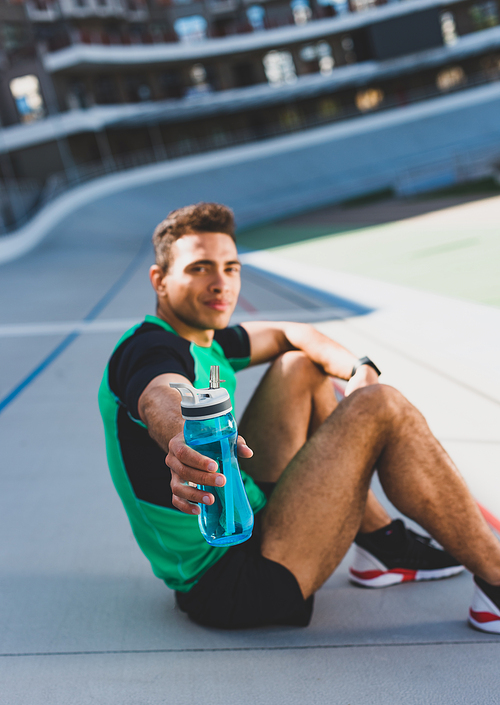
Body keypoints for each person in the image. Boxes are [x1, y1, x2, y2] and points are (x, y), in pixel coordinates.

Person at [99, 202, 500, 633]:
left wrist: (359, 369)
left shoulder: (205, 339)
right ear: (160, 281)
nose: (221, 283)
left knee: (299, 366)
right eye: (200, 268)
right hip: (229, 578)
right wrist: (182, 441)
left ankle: (381, 544)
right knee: (379, 405)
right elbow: (161, 393)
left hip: (251, 519)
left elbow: (290, 333)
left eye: (230, 268)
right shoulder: (147, 349)